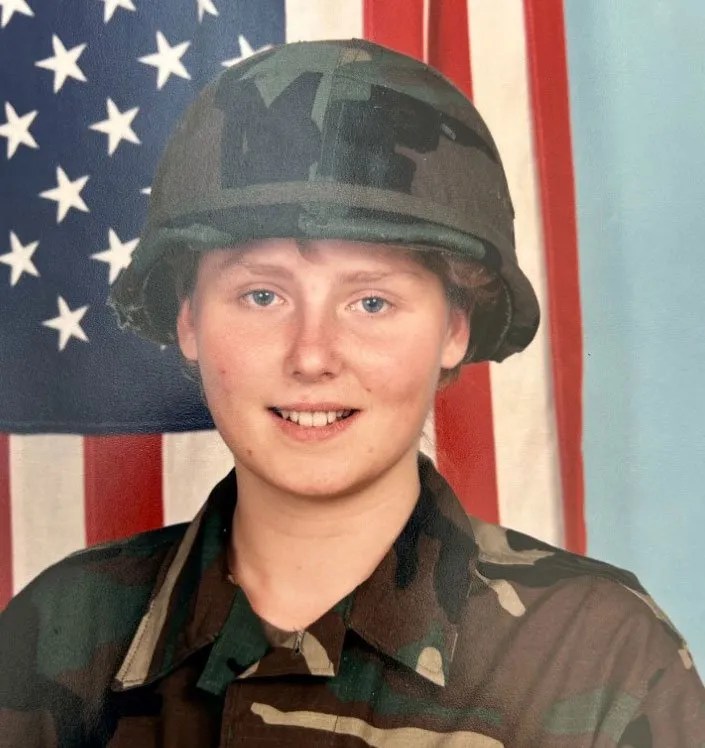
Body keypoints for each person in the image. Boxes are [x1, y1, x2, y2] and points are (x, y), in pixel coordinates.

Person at [1, 38, 704, 747]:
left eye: (370, 302)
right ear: (189, 321)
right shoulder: (61, 629)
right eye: (261, 294)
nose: (312, 356)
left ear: (454, 329)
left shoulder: (592, 651)